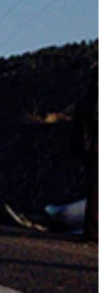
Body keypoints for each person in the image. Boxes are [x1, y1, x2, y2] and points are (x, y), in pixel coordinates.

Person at [76, 64, 99, 241]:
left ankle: (92, 231)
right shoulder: (94, 96)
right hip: (95, 147)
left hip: (90, 147)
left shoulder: (88, 94)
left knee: (94, 190)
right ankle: (93, 232)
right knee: (95, 191)